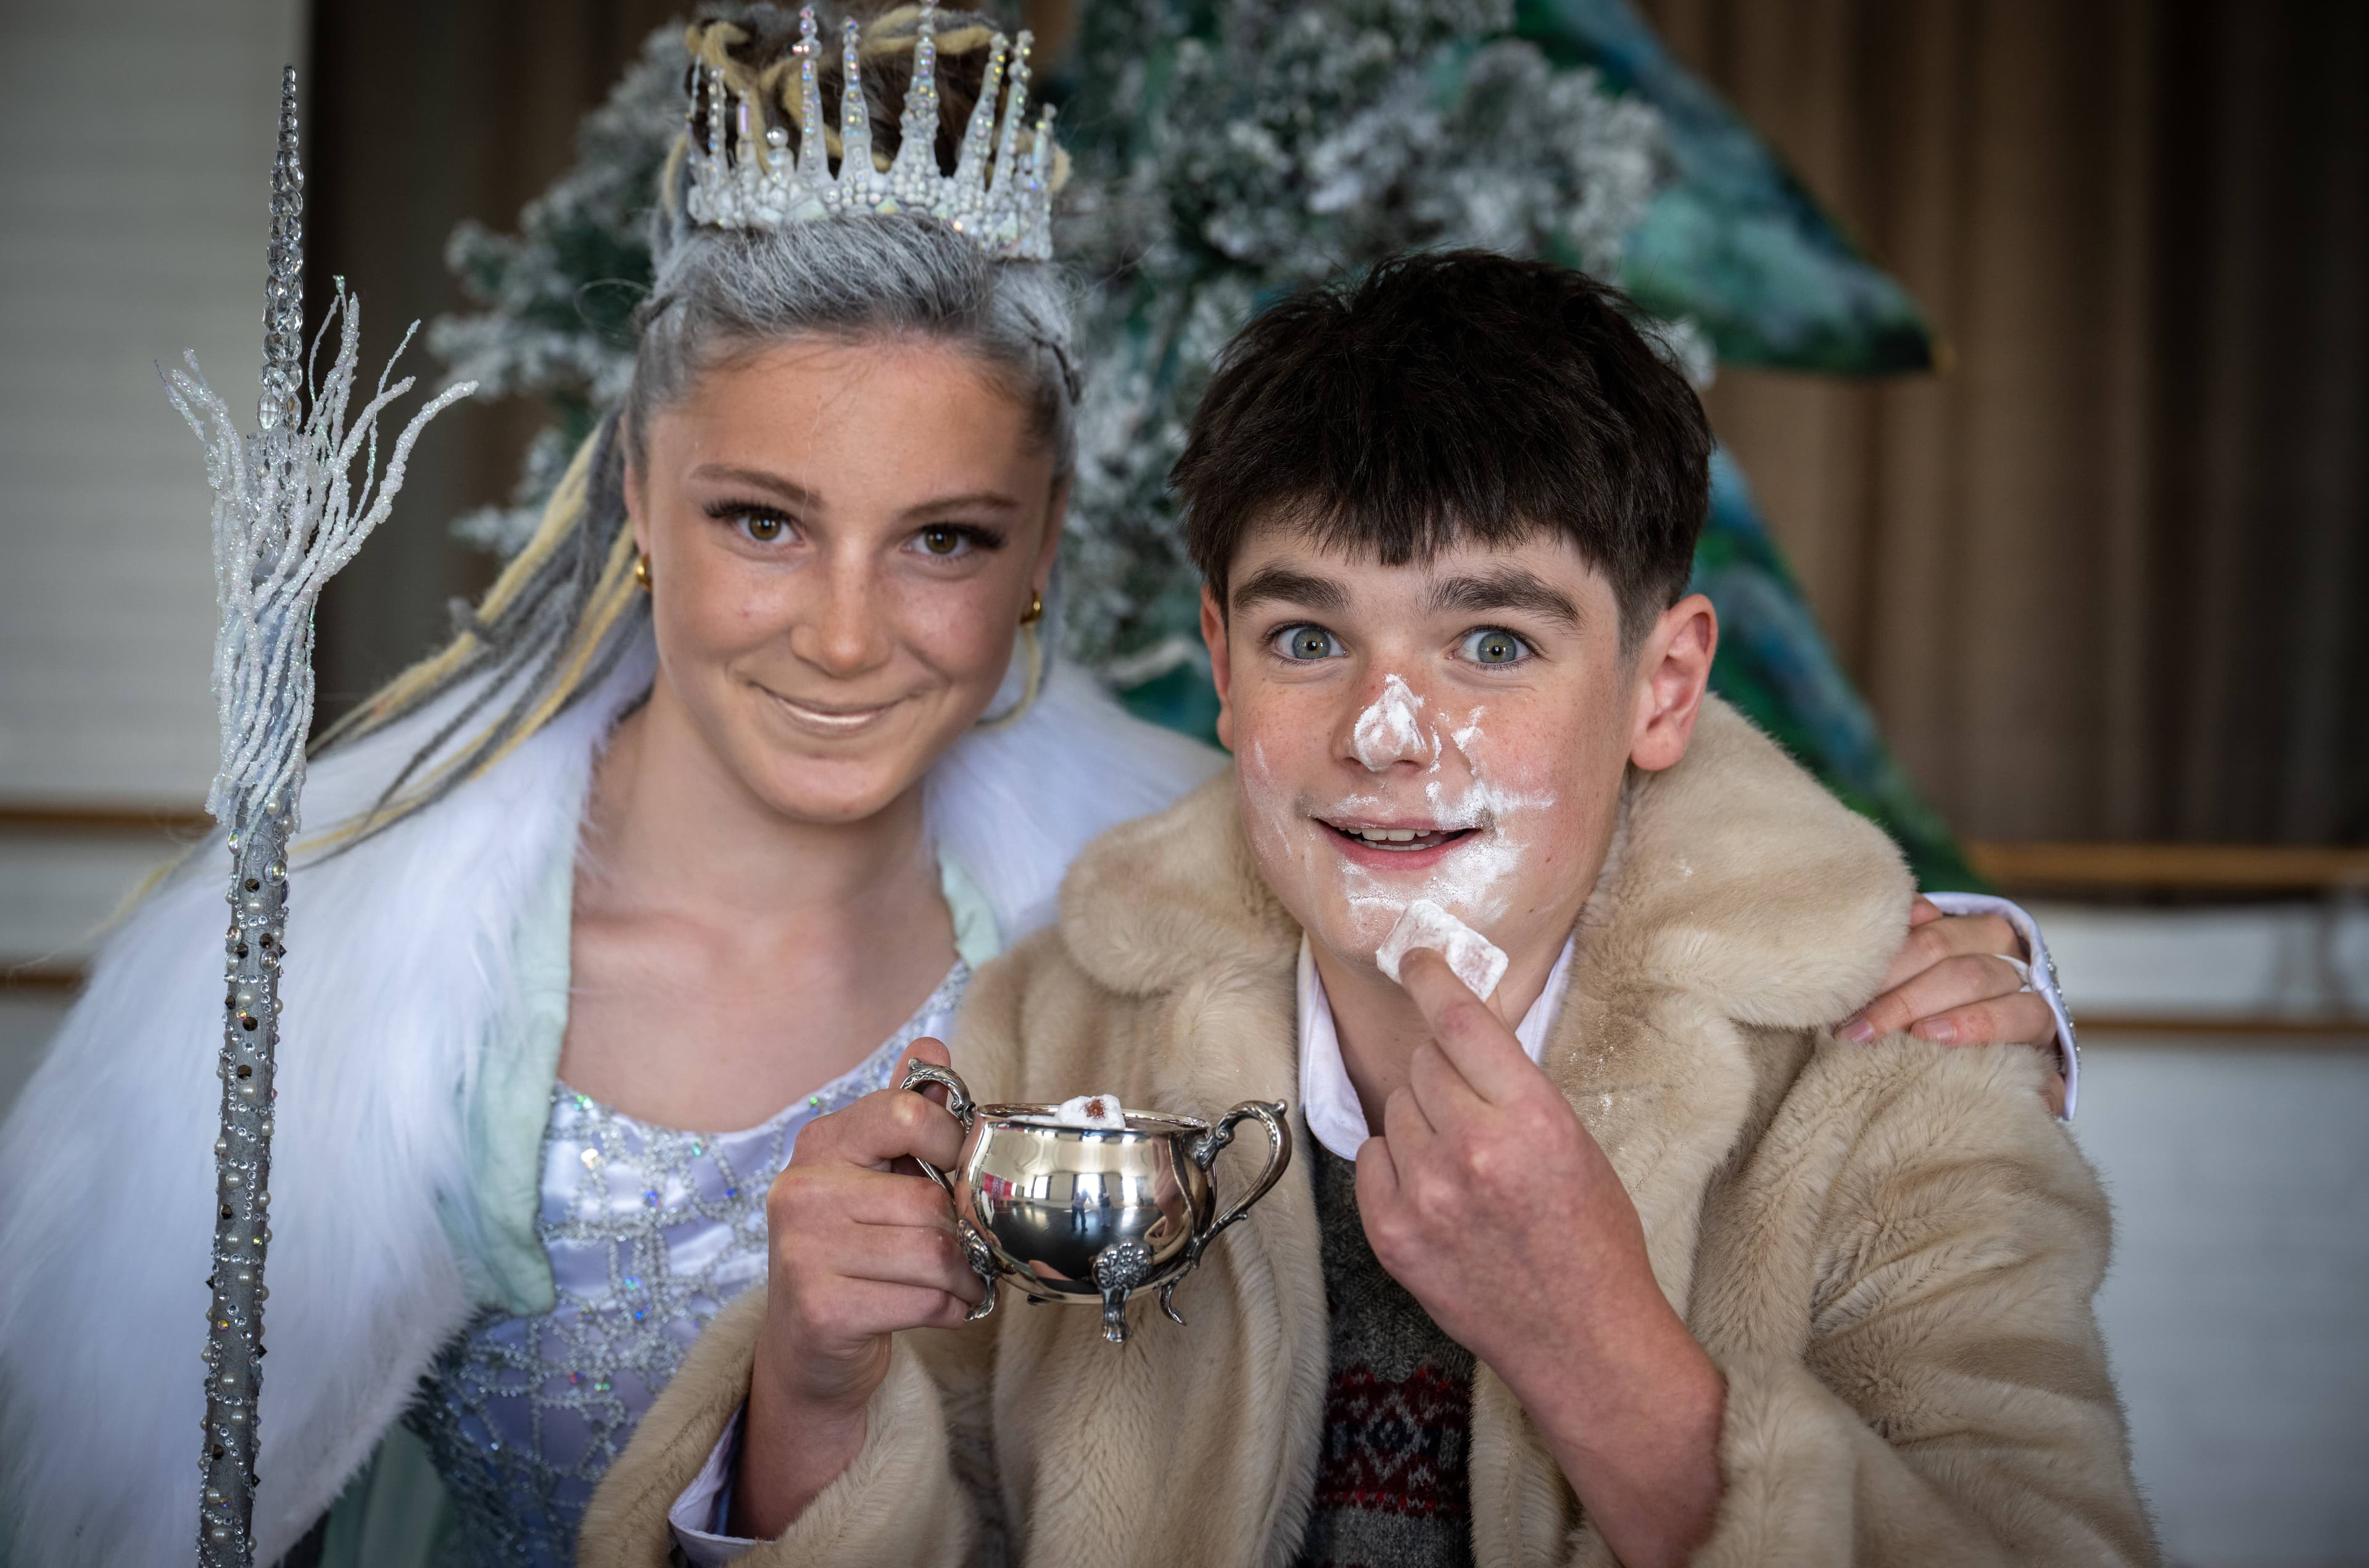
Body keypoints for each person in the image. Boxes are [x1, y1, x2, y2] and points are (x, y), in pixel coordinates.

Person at [0, 6, 2068, 1568]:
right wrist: (801, 1395)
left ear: (1047, 549)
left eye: (947, 539)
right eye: (759, 521)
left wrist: (1935, 985)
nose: (838, 636)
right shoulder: (1094, 995)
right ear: (633, 494)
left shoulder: (1130, 908)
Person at [583, 252, 2150, 1567]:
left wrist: (1598, 1347)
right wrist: (811, 1405)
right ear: (1220, 664)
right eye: (1309, 638)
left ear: (1662, 685)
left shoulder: (1895, 1074)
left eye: (1493, 644)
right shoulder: (1062, 1025)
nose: (1388, 734)